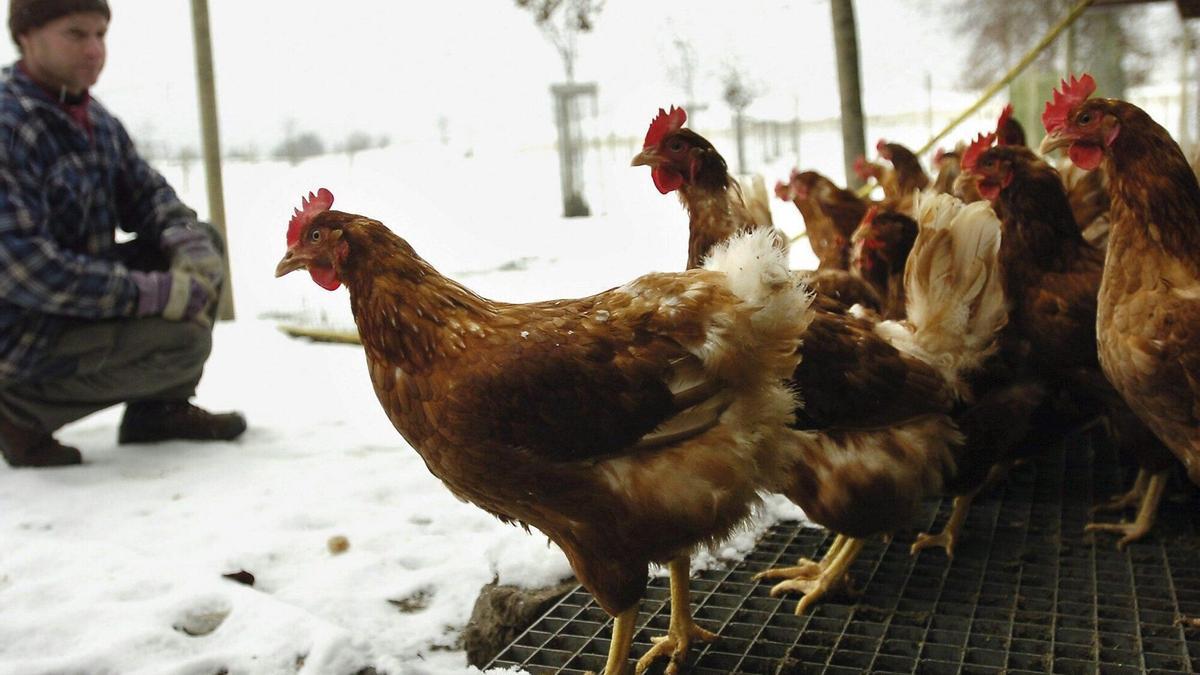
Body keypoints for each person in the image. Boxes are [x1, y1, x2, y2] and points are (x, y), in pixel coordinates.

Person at [0, 0, 246, 468]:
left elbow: (148, 193)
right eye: (76, 34)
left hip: (74, 311)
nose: (94, 50)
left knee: (204, 243)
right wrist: (151, 293)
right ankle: (18, 412)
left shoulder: (92, 119)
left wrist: (184, 240)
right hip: (20, 338)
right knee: (183, 341)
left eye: (101, 35)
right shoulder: (9, 123)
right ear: (27, 36)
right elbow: (24, 269)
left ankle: (158, 411)